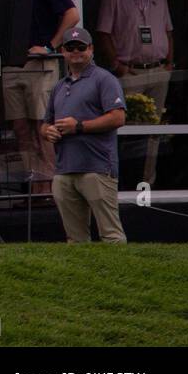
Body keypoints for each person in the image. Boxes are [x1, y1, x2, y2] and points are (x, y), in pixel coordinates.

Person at [5, 0, 80, 194]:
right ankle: (33, 183)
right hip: (13, 63)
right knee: (20, 127)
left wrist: (51, 45)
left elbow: (72, 14)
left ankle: (49, 186)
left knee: (41, 125)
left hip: (39, 64)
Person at [41, 28, 127, 243]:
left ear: (91, 49)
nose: (76, 52)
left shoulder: (104, 79)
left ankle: (119, 274)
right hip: (64, 170)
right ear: (63, 51)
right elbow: (44, 124)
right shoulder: (60, 85)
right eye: (71, 47)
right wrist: (48, 132)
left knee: (111, 234)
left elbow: (117, 118)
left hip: (97, 167)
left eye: (81, 47)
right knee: (75, 239)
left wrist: (78, 126)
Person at [96, 0, 174, 116]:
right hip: (130, 71)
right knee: (130, 122)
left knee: (156, 124)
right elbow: (103, 33)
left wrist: (169, 64)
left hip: (158, 69)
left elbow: (168, 31)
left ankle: (152, 143)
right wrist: (117, 66)